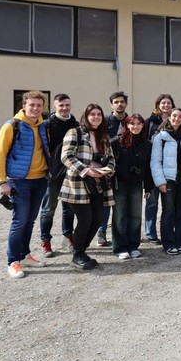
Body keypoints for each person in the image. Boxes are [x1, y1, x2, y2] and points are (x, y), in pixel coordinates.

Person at [0, 90, 50, 278]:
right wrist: (2, 181)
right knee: (19, 221)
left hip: (40, 180)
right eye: (31, 105)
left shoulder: (43, 126)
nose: (35, 108)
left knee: (30, 220)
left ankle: (24, 254)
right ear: (23, 106)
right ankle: (13, 261)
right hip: (19, 181)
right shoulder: (11, 126)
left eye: (39, 105)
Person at [59, 103, 115, 270]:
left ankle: (82, 250)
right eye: (93, 114)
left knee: (97, 219)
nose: (96, 117)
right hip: (78, 183)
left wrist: (106, 170)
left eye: (99, 114)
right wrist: (86, 170)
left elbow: (111, 158)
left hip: (98, 182)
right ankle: (77, 254)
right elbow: (66, 156)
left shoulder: (103, 136)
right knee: (85, 219)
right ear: (86, 116)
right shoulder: (74, 132)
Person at [150, 108, 181, 255]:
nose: (177, 119)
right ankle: (168, 243)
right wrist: (160, 182)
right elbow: (155, 161)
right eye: (174, 116)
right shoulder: (160, 137)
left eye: (180, 116)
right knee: (168, 212)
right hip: (168, 180)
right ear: (169, 118)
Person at [39, 93, 78, 257]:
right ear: (55, 107)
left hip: (70, 174)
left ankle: (68, 236)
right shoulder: (46, 125)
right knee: (48, 209)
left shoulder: (75, 124)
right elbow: (41, 149)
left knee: (69, 209)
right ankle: (45, 241)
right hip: (52, 175)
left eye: (67, 105)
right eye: (61, 105)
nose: (64, 108)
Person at [111, 114, 152, 259]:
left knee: (135, 215)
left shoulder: (147, 144)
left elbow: (148, 167)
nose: (136, 126)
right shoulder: (116, 142)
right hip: (120, 184)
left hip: (136, 184)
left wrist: (148, 187)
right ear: (127, 125)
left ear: (142, 125)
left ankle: (133, 245)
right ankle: (120, 247)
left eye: (139, 124)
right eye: (132, 124)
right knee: (119, 215)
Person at [97, 91, 130, 248]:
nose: (119, 104)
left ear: (126, 104)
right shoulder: (104, 122)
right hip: (107, 168)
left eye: (122, 101)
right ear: (111, 104)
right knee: (106, 203)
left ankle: (122, 233)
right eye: (116, 102)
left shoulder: (131, 121)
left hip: (125, 168)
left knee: (122, 204)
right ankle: (101, 232)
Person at [144, 94, 175, 245]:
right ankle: (151, 232)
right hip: (153, 167)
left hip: (170, 168)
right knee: (152, 203)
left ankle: (168, 232)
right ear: (157, 105)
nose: (166, 105)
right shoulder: (149, 122)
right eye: (163, 103)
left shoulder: (174, 121)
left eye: (169, 103)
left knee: (169, 205)